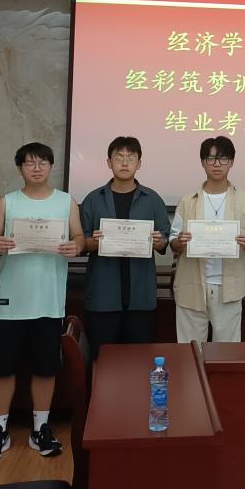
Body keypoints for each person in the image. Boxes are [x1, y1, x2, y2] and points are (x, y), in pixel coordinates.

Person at [0, 142, 84, 462]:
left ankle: (41, 428)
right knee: (2, 368)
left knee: (46, 368)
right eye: (29, 163)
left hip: (49, 301)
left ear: (51, 166)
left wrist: (76, 246)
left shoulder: (66, 202)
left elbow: (79, 237)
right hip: (11, 301)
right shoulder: (7, 202)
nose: (36, 168)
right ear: (20, 168)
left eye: (42, 163)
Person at [79, 136, 170, 356]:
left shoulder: (152, 199)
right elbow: (81, 242)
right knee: (102, 360)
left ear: (139, 164)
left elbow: (164, 238)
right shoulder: (93, 199)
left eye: (131, 158)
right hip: (102, 296)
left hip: (141, 298)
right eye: (119, 157)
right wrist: (94, 242)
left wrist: (160, 241)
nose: (125, 163)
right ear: (109, 162)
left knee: (139, 361)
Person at [168, 136, 245, 343]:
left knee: (227, 351)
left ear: (232, 162)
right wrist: (180, 242)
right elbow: (173, 241)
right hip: (191, 285)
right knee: (190, 350)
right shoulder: (187, 201)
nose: (217, 164)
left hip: (229, 287)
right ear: (203, 162)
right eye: (210, 159)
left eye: (223, 158)